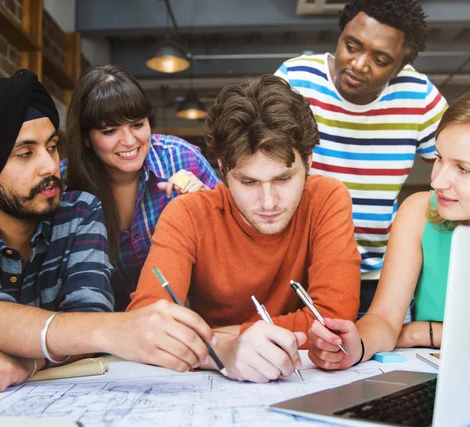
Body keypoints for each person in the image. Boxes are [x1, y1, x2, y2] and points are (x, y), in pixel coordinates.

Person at [0, 70, 218, 394]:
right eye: (26, 154)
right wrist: (116, 330)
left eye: (52, 147)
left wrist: (25, 361)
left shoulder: (79, 209)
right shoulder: (63, 188)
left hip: (171, 336)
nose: (50, 167)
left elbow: (89, 312)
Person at [307, 85, 470, 370]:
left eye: (464, 169)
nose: (437, 181)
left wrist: (422, 332)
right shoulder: (419, 212)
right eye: (440, 157)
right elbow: (383, 319)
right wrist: (356, 346)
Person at [128, 75, 361, 383]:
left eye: (282, 179)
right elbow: (145, 326)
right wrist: (224, 350)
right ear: (223, 168)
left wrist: (222, 337)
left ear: (308, 160)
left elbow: (334, 321)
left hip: (301, 381)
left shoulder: (327, 198)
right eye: (248, 182)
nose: (268, 202)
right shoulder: (187, 215)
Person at [275, 0, 448, 316]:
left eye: (381, 60)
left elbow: (456, 162)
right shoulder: (297, 78)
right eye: (351, 46)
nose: (358, 64)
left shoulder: (418, 94)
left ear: (400, 67)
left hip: (375, 277)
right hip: (298, 268)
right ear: (340, 36)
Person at [64, 65, 220, 311]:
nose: (128, 141)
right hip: (100, 324)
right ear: (86, 138)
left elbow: (235, 236)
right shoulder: (65, 183)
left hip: (182, 313)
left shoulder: (181, 158)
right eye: (110, 130)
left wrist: (208, 206)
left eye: (137, 124)